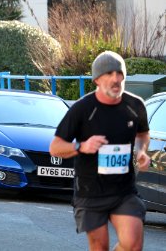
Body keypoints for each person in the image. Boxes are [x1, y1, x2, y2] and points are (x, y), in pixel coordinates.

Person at [49, 51, 151, 251]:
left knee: (133, 244)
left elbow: (142, 134)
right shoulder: (82, 109)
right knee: (100, 247)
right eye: (109, 74)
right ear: (97, 79)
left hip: (124, 191)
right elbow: (55, 147)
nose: (116, 79)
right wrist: (82, 146)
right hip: (90, 192)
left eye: (119, 73)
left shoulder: (135, 105)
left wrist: (141, 152)